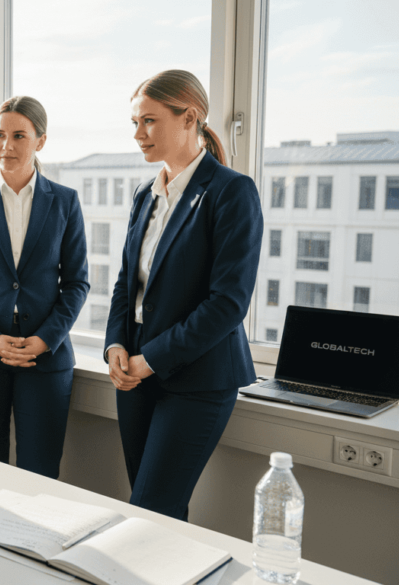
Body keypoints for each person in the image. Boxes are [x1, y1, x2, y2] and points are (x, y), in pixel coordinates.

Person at [105, 70, 262, 520]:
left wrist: (149, 358)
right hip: (133, 375)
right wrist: (116, 344)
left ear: (189, 116)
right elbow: (126, 282)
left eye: (149, 121)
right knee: (155, 514)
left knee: (151, 509)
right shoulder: (144, 194)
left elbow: (227, 304)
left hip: (198, 379)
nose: (138, 134)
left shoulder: (232, 192)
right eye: (135, 123)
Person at [0, 96, 89, 479]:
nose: (7, 145)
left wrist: (45, 339)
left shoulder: (66, 202)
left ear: (40, 141)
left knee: (40, 474)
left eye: (19, 136)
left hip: (45, 357)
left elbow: (77, 283)